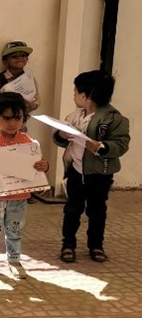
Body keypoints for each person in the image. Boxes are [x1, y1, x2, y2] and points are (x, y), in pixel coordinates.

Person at [0, 92, 50, 280]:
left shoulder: (29, 143)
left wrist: (44, 166)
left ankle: (14, 261)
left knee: (15, 230)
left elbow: (38, 167)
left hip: (19, 197)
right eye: (6, 118)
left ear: (24, 118)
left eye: (17, 118)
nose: (12, 123)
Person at [53, 70, 130, 264]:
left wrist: (101, 147)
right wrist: (61, 135)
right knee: (72, 209)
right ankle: (68, 244)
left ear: (86, 96)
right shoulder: (74, 116)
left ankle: (96, 245)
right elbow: (62, 140)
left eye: (75, 91)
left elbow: (121, 144)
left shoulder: (113, 119)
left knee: (97, 210)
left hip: (99, 174)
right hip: (75, 171)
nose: (73, 95)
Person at [0, 41, 40, 119]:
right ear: (5, 61)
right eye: (14, 56)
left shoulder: (30, 78)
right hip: (3, 121)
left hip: (22, 121)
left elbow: (36, 97)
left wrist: (34, 105)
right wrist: (3, 108)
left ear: (27, 59)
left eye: (23, 55)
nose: (19, 58)